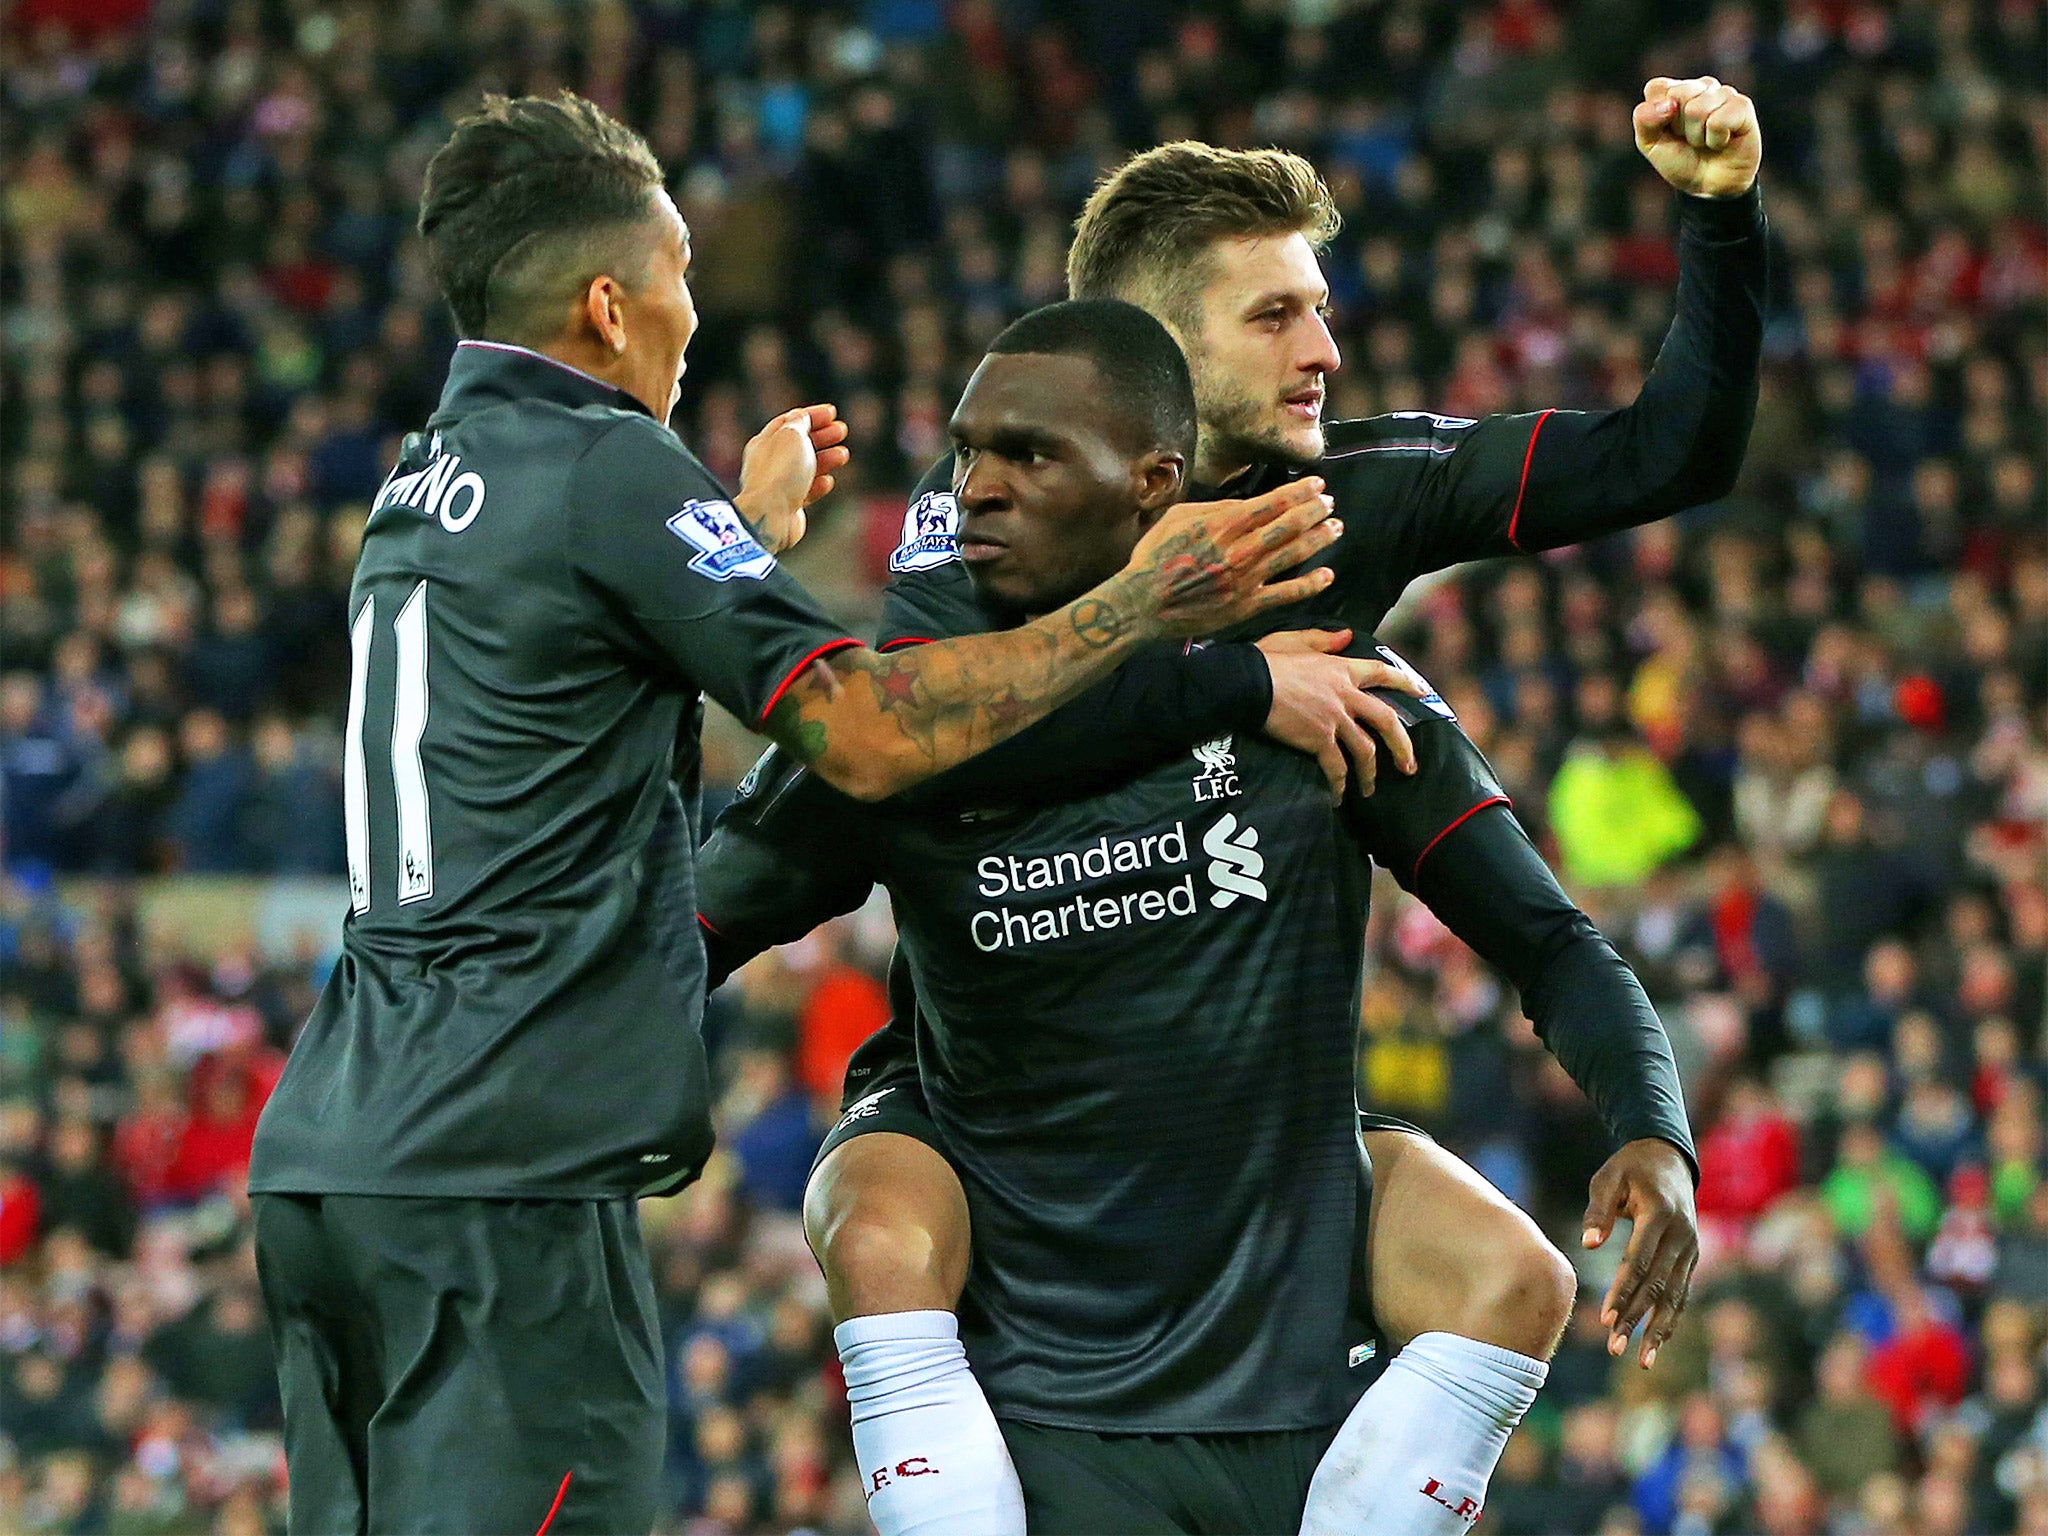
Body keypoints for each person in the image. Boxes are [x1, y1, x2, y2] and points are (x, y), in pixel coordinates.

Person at [242, 92, 1340, 1536]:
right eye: (682, 270)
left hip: (333, 1159)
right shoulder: (608, 469)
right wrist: (1148, 601)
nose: (696, 312)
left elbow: (564, 654)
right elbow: (873, 736)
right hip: (494, 1177)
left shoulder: (426, 479)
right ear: (606, 303)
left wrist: (743, 539)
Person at [717, 73, 1762, 1534]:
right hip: (1003, 1140)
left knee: (1511, 1269)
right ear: (1149, 355)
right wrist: (1230, 687)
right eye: (1275, 315)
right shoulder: (982, 542)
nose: (1324, 348)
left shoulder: (1339, 518)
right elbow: (909, 739)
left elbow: (1669, 455)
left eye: (1319, 306)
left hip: (1250, 1165)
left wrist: (1720, 217)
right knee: (882, 1200)